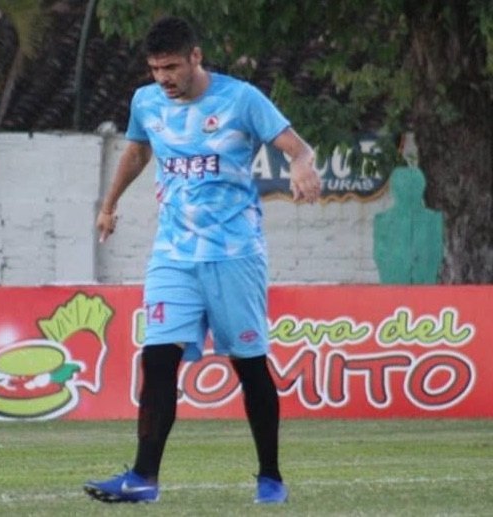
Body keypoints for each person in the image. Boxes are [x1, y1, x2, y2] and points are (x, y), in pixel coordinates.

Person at [83, 15, 321, 505]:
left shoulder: (241, 99)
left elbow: (297, 149)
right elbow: (136, 152)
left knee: (250, 365)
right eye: (154, 69)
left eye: (171, 66)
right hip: (174, 254)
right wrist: (108, 206)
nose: (163, 78)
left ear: (196, 57)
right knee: (158, 357)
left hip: (235, 255)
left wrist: (302, 168)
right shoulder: (146, 102)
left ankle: (270, 476)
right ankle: (143, 478)